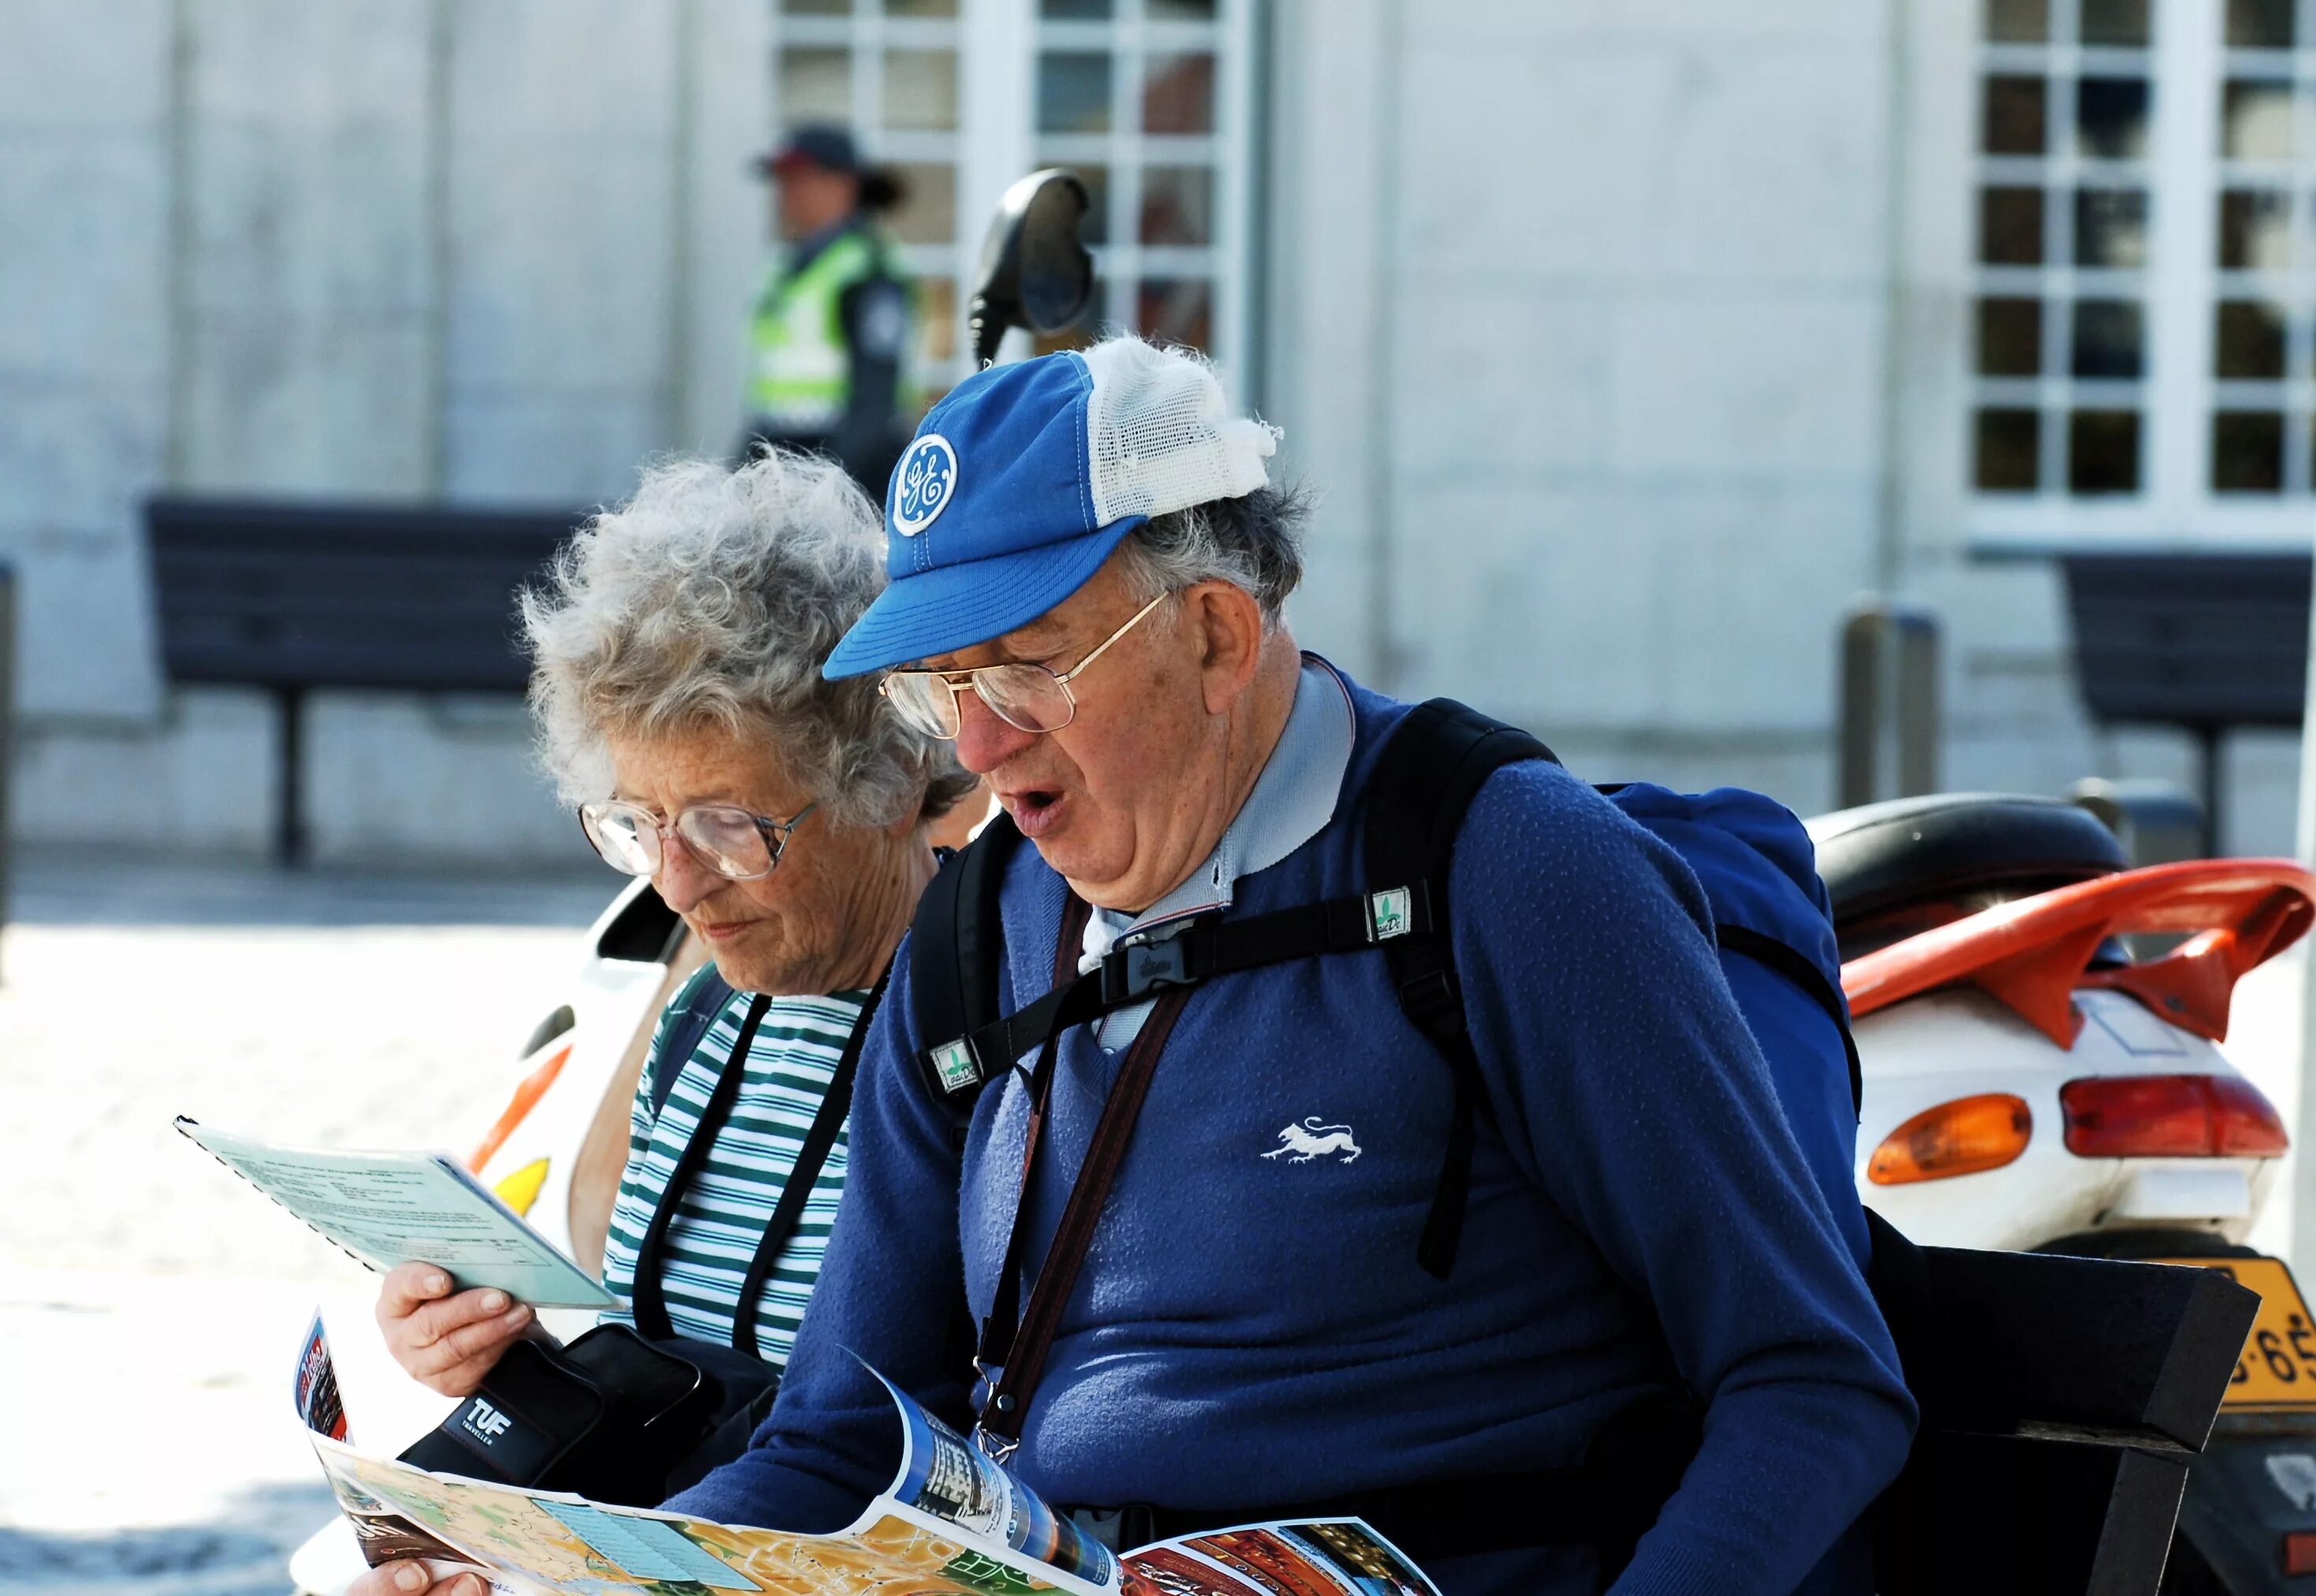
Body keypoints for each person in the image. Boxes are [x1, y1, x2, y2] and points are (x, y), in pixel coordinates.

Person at [360, 340, 1911, 1596]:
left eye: (1023, 666)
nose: (973, 746)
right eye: (939, 682)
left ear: (1219, 635)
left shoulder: (1500, 868)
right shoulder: (980, 925)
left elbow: (1808, 1382)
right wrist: (592, 1573)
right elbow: (838, 1436)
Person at [373, 450, 972, 1442]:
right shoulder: (703, 1021)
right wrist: (492, 1354)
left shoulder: (994, 1036)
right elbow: (671, 1379)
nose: (676, 882)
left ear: (896, 777)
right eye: (639, 824)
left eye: (728, 824)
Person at [735, 123, 916, 495]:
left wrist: (823, 485)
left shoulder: (868, 271)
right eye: (782, 182)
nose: (785, 195)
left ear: (842, 185)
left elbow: (875, 401)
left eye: (798, 180)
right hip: (785, 454)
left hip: (849, 470)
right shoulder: (789, 266)